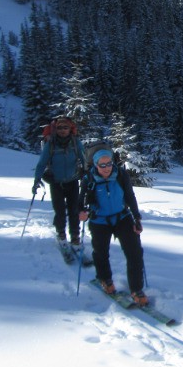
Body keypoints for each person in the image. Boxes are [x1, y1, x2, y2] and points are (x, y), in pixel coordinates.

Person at [78, 148, 147, 305]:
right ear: (96, 165)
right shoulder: (89, 179)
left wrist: (136, 217)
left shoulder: (121, 175)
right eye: (102, 165)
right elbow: (80, 202)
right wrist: (81, 212)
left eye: (109, 163)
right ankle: (105, 279)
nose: (106, 167)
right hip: (99, 220)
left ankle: (136, 288)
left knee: (135, 253)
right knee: (101, 253)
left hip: (122, 217)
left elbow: (130, 196)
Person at [33, 116, 86, 246]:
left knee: (74, 210)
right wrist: (37, 180)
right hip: (56, 182)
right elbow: (41, 163)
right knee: (60, 211)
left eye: (65, 127)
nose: (62, 130)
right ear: (55, 129)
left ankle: (75, 236)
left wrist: (87, 173)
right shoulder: (51, 144)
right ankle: (61, 234)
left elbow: (84, 160)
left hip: (72, 181)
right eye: (59, 128)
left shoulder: (75, 142)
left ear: (70, 129)